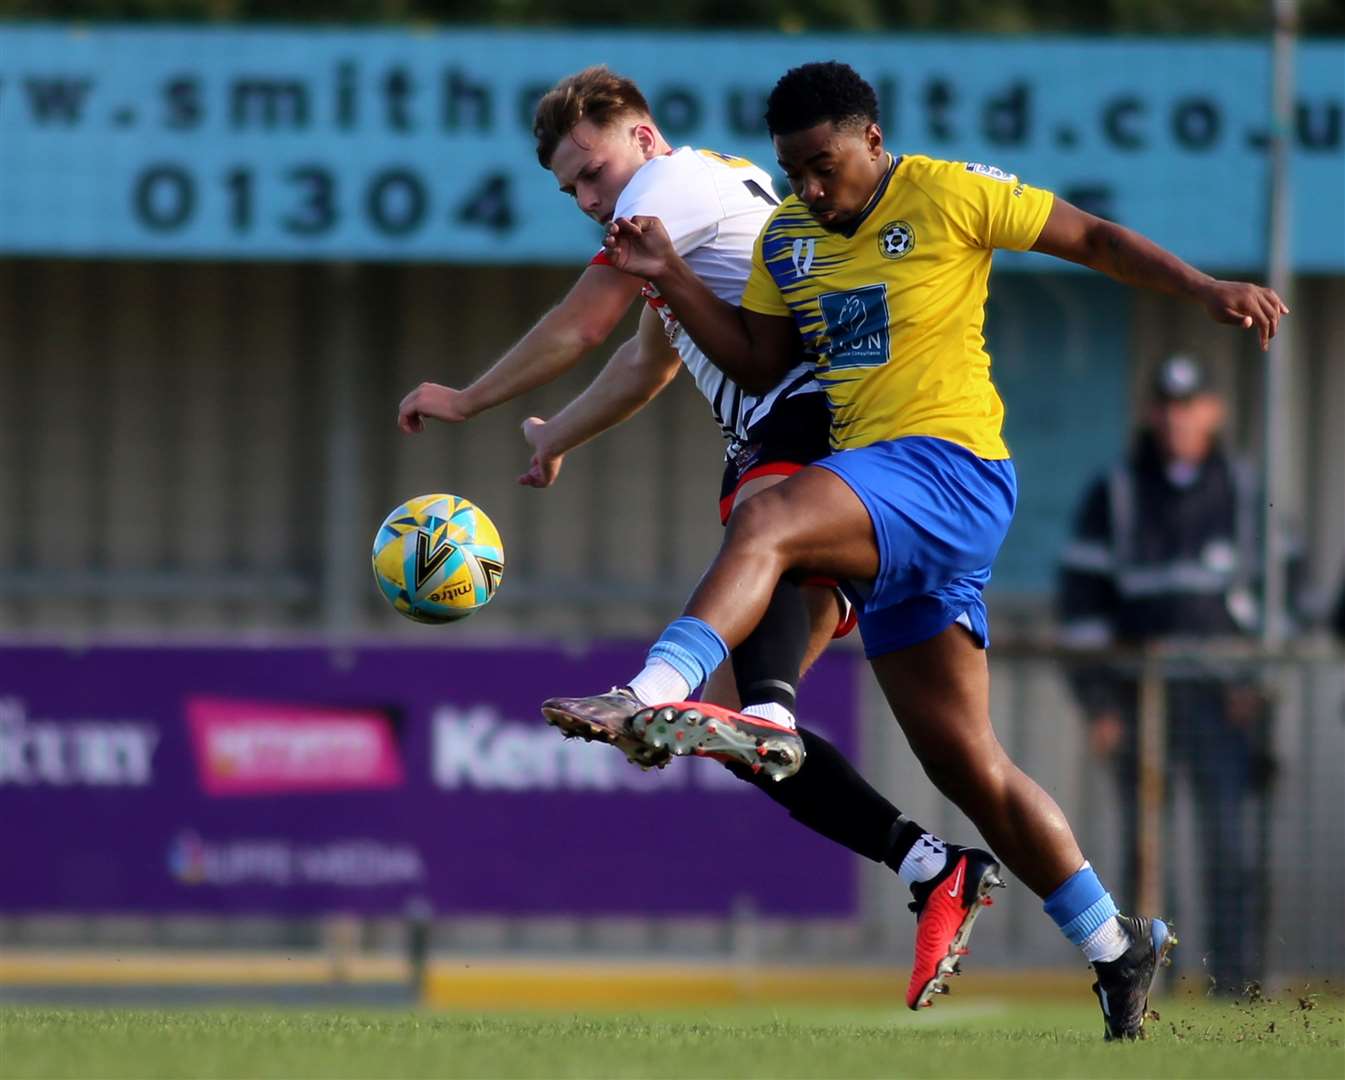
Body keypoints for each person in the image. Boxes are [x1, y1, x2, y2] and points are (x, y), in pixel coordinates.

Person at [544, 61, 1287, 1039]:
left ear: (870, 141)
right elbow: (758, 360)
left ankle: (648, 689)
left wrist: (1202, 288)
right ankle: (1115, 943)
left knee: (764, 522)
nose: (809, 187)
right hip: (885, 505)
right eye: (793, 170)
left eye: (823, 165)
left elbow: (1093, 238)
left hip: (950, 468)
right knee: (966, 764)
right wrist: (675, 277)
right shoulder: (790, 240)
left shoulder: (947, 192)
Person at [397, 66, 1003, 1013]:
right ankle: (931, 868)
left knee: (758, 583)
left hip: (805, 429)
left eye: (592, 173)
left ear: (641, 139)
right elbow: (649, 361)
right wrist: (557, 435)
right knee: (736, 733)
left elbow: (582, 321)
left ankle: (688, 696)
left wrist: (468, 397)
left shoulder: (664, 188)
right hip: (827, 445)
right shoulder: (686, 209)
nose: (590, 199)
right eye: (572, 191)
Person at [1058, 354, 1276, 996]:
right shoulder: (1117, 491)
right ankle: (1154, 979)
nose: (1179, 419)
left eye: (1191, 406)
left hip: (1222, 702)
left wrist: (1255, 684)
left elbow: (1277, 597)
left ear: (1214, 411)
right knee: (1148, 853)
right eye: (1168, 407)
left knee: (1232, 846)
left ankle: (1234, 984)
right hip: (1138, 700)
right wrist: (1100, 702)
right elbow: (1083, 604)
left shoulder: (1241, 490)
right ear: (1154, 414)